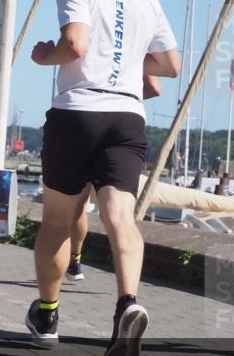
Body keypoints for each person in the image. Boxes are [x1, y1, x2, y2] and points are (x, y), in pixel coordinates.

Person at [27, 0, 179, 356]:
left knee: (57, 220)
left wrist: (43, 56)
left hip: (78, 113)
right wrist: (130, 64)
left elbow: (74, 45)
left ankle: (49, 317)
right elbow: (171, 65)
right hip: (126, 117)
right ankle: (127, 302)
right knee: (120, 216)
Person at [66, 74, 163, 283]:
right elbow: (155, 87)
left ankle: (74, 260)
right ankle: (127, 291)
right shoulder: (133, 46)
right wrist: (123, 97)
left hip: (85, 116)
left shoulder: (92, 45)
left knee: (77, 203)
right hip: (126, 123)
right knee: (120, 212)